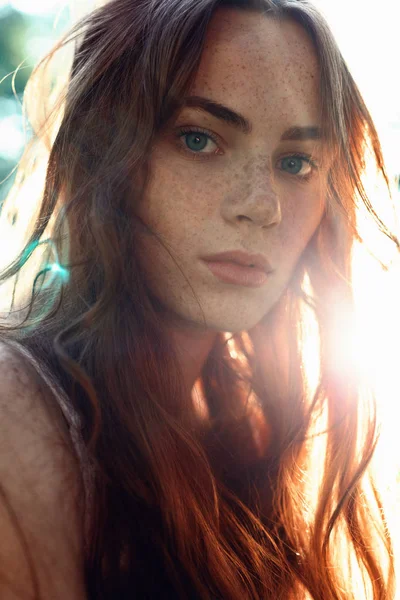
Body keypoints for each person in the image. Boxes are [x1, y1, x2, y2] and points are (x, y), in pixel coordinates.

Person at [0, 0, 398, 598]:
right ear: (106, 154)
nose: (260, 205)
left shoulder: (255, 439)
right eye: (199, 139)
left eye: (295, 162)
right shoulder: (18, 410)